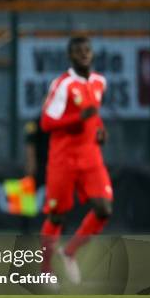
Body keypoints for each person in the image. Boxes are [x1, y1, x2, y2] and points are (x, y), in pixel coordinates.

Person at [39, 36, 113, 284]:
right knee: (57, 215)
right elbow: (47, 122)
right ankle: (45, 271)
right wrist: (78, 119)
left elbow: (93, 115)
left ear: (92, 54)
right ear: (70, 56)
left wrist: (99, 127)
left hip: (91, 156)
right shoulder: (63, 84)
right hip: (64, 159)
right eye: (79, 51)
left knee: (104, 209)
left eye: (87, 50)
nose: (84, 54)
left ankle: (69, 252)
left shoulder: (99, 82)